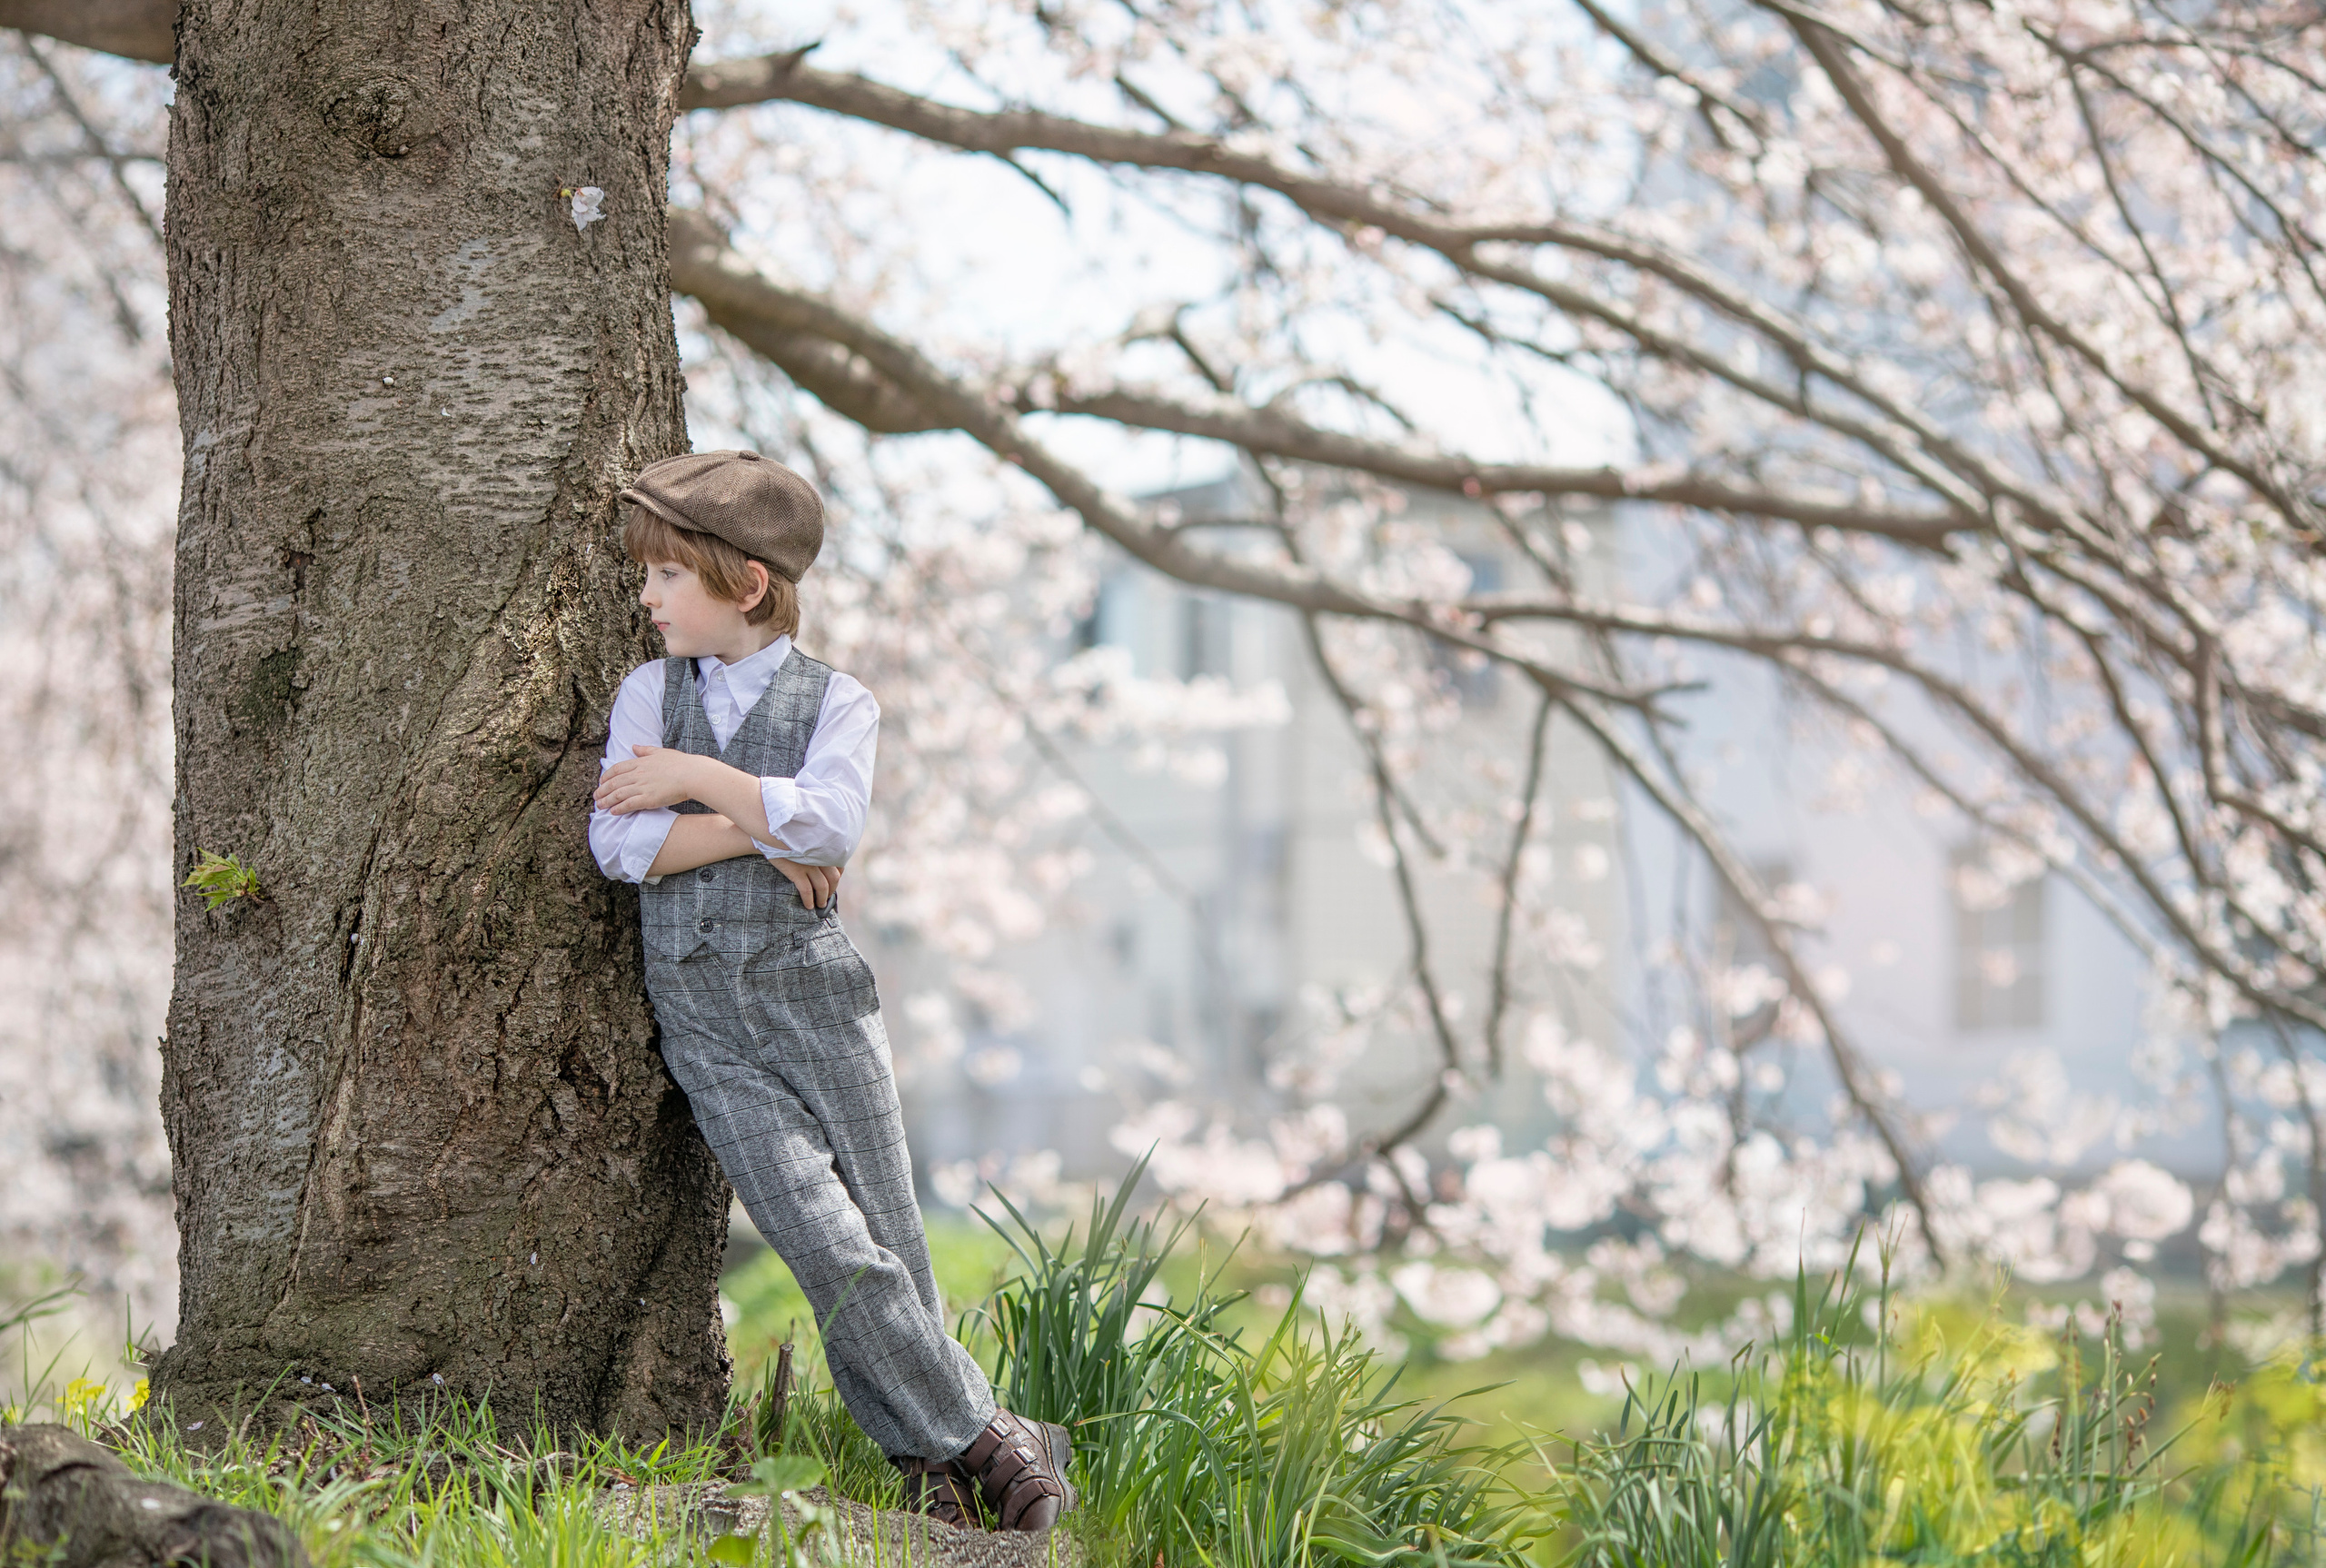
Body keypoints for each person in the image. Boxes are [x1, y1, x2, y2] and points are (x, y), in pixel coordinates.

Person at [587, 450, 1073, 1533]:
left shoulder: (837, 702)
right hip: (706, 1022)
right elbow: (621, 845)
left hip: (816, 999)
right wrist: (763, 828)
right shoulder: (643, 692)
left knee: (892, 1233)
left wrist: (698, 781)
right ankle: (991, 1432)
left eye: (667, 576)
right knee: (826, 1241)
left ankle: (926, 1466)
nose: (646, 597)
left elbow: (832, 827)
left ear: (746, 584)